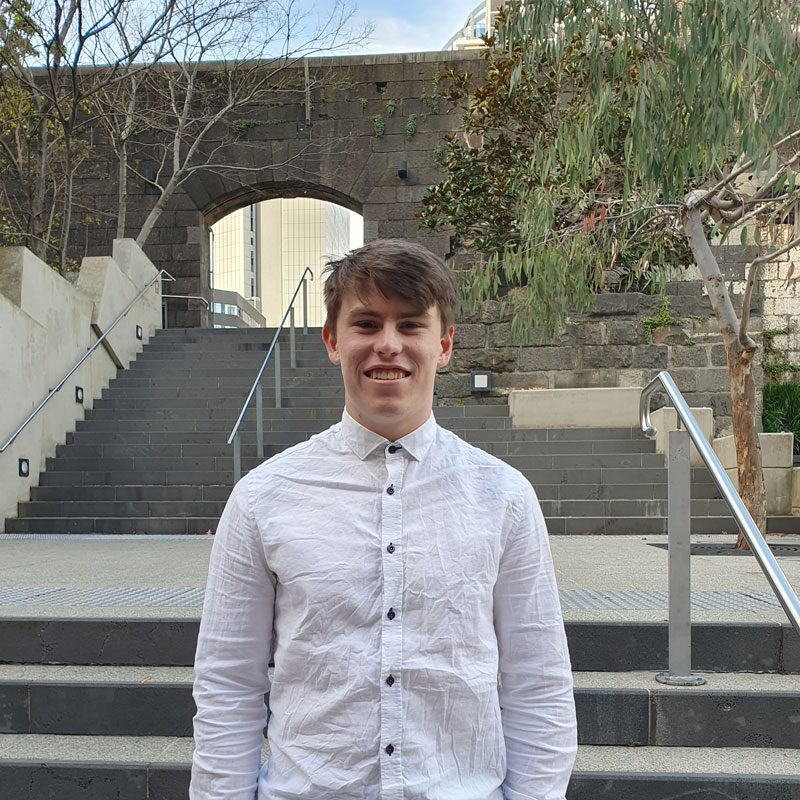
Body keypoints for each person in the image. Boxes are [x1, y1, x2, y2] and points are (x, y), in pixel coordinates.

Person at [191, 239, 577, 800]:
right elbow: (227, 683)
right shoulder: (262, 498)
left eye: (411, 325)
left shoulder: (504, 498)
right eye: (367, 324)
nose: (388, 344)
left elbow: (538, 682)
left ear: (444, 344)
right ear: (333, 340)